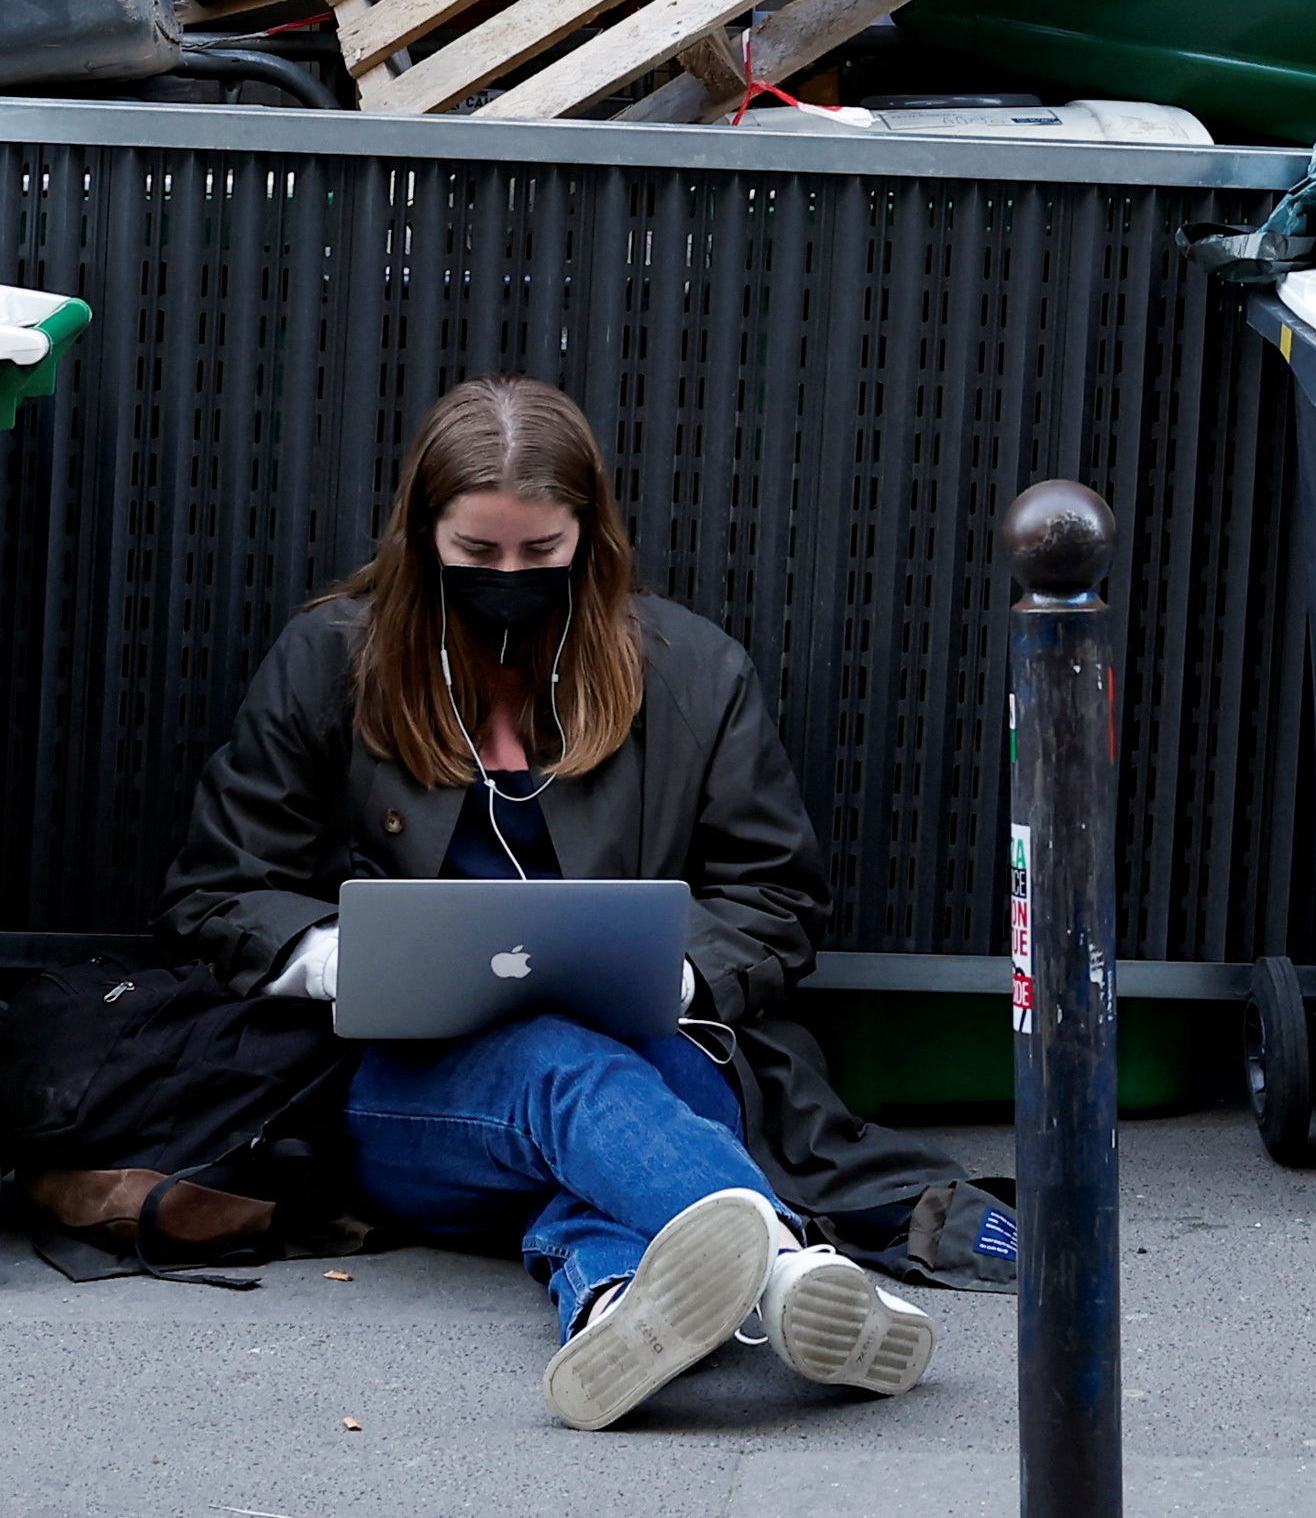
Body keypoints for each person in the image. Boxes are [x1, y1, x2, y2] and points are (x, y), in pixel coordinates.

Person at [164, 378, 978, 1431]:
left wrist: (678, 973)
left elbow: (776, 897)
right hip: (404, 1097)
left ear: (590, 538)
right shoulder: (333, 658)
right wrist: (333, 958)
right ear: (422, 537)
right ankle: (784, 1268)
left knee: (629, 1079)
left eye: (540, 555)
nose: (508, 580)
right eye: (478, 555)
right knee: (562, 1064)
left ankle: (610, 1303)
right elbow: (216, 889)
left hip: (660, 1056)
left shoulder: (689, 671)